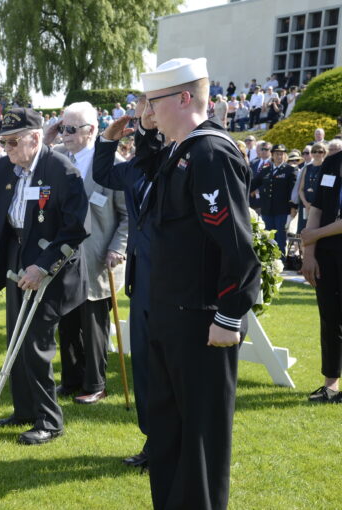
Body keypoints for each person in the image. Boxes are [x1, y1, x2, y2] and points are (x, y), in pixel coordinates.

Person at [140, 57, 261, 509]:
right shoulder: (180, 150)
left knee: (201, 443)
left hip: (204, 321)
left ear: (184, 98)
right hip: (172, 315)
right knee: (169, 434)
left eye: (155, 103)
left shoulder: (210, 152)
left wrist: (229, 316)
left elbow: (235, 245)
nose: (148, 114)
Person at [0, 107, 90, 444]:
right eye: (3, 143)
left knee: (35, 342)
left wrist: (42, 266)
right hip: (16, 256)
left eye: (14, 142)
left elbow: (75, 229)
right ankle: (25, 411)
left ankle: (50, 421)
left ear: (35, 138)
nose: (8, 149)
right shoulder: (6, 165)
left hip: (51, 261)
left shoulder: (61, 169)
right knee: (15, 338)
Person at [93, 95, 164, 469]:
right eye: (137, 129)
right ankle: (154, 442)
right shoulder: (136, 168)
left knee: (169, 370)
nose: (139, 129)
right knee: (148, 370)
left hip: (172, 281)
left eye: (149, 111)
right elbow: (103, 174)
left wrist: (151, 126)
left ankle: (171, 445)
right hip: (144, 279)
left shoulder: (173, 163)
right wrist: (107, 138)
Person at [43, 102, 128, 406]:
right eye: (62, 127)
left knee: (93, 326)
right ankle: (71, 379)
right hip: (64, 258)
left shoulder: (113, 164)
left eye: (71, 128)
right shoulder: (57, 159)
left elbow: (127, 215)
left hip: (97, 258)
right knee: (66, 322)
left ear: (91, 130)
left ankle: (96, 383)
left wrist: (118, 247)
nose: (64, 133)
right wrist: (47, 137)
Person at [300, 145, 342, 403]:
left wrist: (313, 235)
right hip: (326, 255)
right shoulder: (332, 163)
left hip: (324, 239)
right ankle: (331, 385)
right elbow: (316, 209)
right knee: (329, 318)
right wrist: (309, 254)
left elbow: (314, 228)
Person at [251, 144, 296, 256]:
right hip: (267, 209)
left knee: (280, 237)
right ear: (272, 155)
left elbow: (292, 192)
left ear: (284, 155)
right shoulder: (266, 170)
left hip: (282, 210)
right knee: (268, 237)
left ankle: (280, 260)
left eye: (281, 154)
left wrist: (293, 208)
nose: (279, 156)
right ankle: (270, 260)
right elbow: (253, 184)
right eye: (277, 154)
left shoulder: (290, 170)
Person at [296, 143, 326, 234]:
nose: (317, 154)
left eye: (320, 151)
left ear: (324, 153)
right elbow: (300, 189)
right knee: (303, 231)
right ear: (311, 153)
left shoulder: (326, 168)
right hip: (305, 205)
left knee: (316, 231)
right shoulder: (307, 168)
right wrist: (306, 203)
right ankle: (301, 249)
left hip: (319, 206)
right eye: (314, 151)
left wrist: (314, 205)